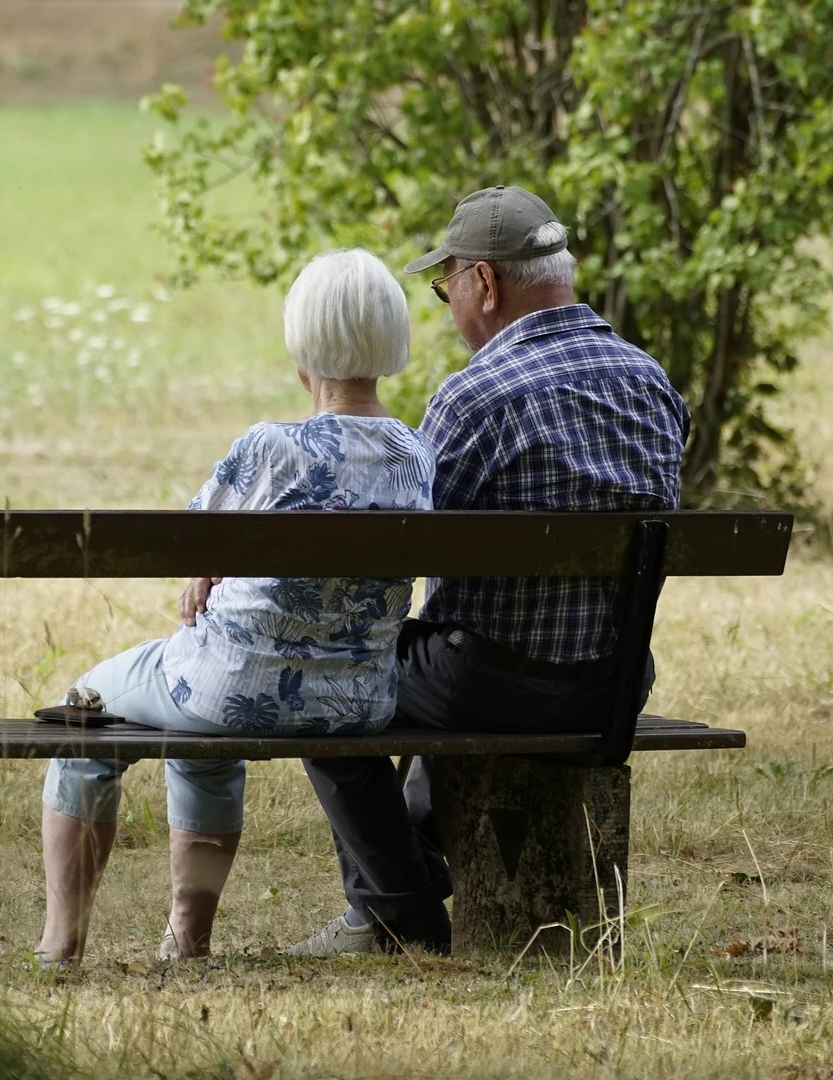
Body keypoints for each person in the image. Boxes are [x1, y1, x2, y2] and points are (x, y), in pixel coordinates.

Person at [286, 186, 691, 957]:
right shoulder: (653, 383)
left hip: (493, 686)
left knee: (323, 677)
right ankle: (410, 875)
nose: (448, 307)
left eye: (446, 290)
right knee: (451, 647)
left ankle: (398, 912)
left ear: (484, 283)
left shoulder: (474, 398)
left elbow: (406, 555)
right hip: (614, 684)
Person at [35, 248, 437, 965]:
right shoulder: (417, 455)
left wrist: (206, 567)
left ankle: (61, 943)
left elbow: (186, 540)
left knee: (84, 707)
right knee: (198, 727)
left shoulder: (270, 449)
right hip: (358, 702)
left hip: (231, 690)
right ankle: (185, 940)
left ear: (302, 346)